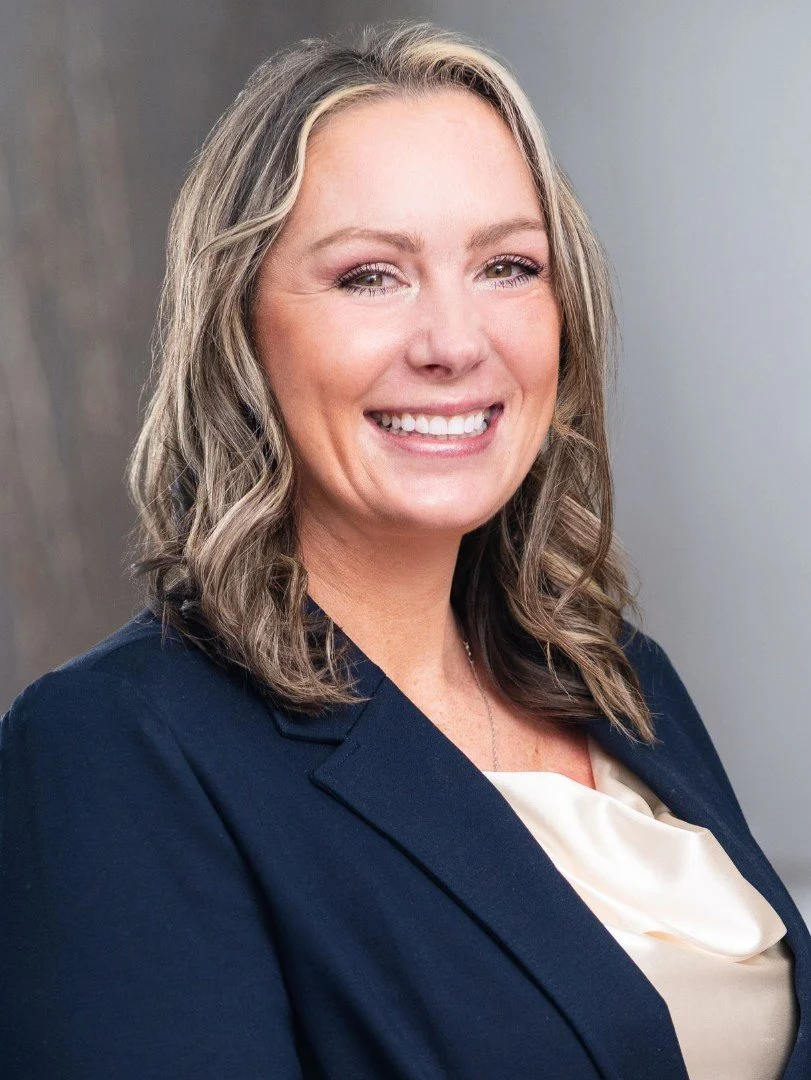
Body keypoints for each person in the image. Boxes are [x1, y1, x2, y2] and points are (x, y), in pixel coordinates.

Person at [1, 18, 807, 1080]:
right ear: (240, 331)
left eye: (507, 266)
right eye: (370, 277)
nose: (454, 342)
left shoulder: (609, 675)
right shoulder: (114, 753)